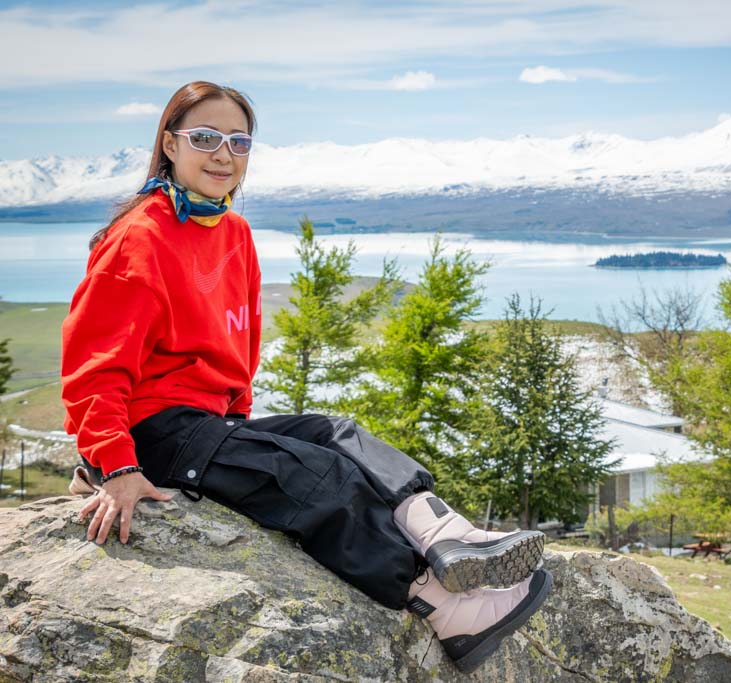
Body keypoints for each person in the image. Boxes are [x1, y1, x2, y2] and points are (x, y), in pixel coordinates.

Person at [60, 81, 551, 674]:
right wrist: (116, 466)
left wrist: (242, 433)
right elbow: (93, 366)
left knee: (335, 433)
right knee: (321, 477)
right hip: (154, 432)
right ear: (169, 144)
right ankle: (443, 601)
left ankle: (447, 536)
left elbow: (238, 348)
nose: (224, 154)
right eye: (206, 138)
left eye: (239, 141)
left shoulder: (233, 233)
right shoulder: (140, 236)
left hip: (207, 425)